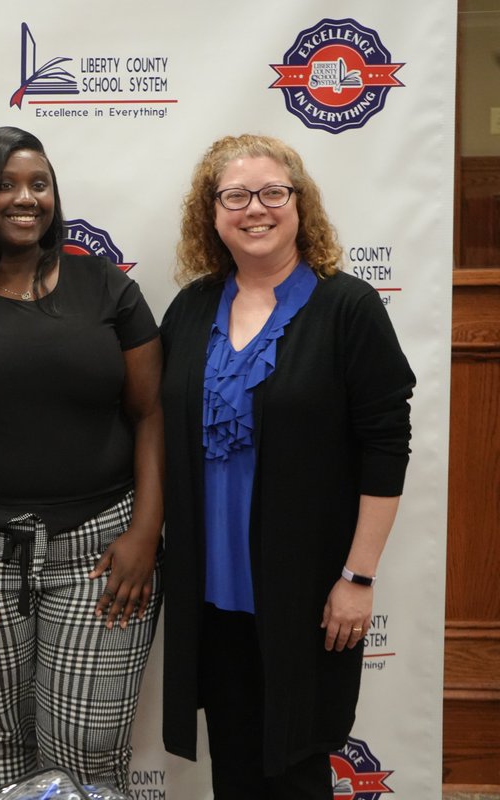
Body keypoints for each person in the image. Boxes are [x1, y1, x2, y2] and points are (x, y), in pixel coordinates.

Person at [0, 126, 165, 798]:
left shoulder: (105, 288)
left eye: (38, 184)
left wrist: (144, 536)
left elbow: (151, 415)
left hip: (101, 550)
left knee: (87, 750)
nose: (25, 198)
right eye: (7, 185)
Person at [160, 134, 415, 799]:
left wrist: (357, 576)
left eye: (274, 192)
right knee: (236, 767)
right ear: (210, 214)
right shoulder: (191, 310)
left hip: (307, 594)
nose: (256, 209)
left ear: (301, 204)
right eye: (235, 196)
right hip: (213, 593)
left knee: (298, 768)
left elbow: (386, 445)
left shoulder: (347, 308)